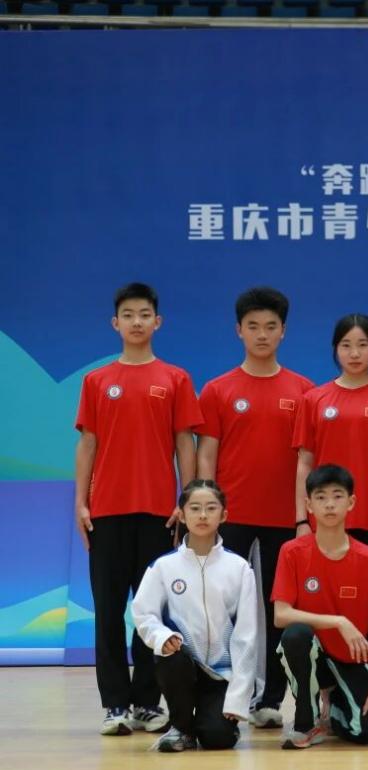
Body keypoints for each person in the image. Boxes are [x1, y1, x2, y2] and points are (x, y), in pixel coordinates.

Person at [74, 282, 202, 736]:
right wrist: (81, 501)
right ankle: (114, 704)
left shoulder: (175, 379)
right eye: (128, 315)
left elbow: (184, 443)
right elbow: (88, 444)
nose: (136, 322)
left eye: (144, 314)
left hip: (158, 513)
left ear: (157, 322)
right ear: (116, 323)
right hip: (107, 512)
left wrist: (186, 500)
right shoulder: (97, 381)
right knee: (109, 611)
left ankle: (147, 702)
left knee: (152, 612)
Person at [196, 286, 314, 729]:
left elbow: (308, 461)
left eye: (270, 326)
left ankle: (269, 698)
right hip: (232, 517)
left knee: (275, 611)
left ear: (283, 331)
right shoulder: (218, 390)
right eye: (253, 327)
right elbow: (207, 454)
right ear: (238, 331)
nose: (261, 334)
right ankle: (220, 694)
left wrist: (304, 516)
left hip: (285, 520)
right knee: (224, 610)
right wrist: (207, 509)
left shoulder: (303, 391)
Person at [272, 464, 368, 749]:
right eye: (321, 497)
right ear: (309, 505)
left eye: (337, 496)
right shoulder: (292, 552)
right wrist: (339, 622)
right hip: (313, 654)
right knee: (295, 635)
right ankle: (306, 721)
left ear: (351, 502)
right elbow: (281, 615)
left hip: (351, 660)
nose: (329, 504)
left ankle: (337, 706)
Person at [132, 480, 258, 752]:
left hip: (221, 674)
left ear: (223, 515)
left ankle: (213, 721)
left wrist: (237, 698)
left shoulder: (239, 569)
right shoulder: (163, 567)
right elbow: (143, 613)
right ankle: (181, 727)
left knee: (217, 739)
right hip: (183, 665)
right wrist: (161, 637)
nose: (203, 515)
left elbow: (247, 636)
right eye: (195, 508)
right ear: (181, 514)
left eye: (211, 508)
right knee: (169, 655)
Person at [293, 314, 368, 561]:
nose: (354, 353)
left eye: (362, 345)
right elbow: (304, 463)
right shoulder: (313, 400)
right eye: (346, 345)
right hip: (323, 517)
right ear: (336, 349)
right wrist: (302, 520)